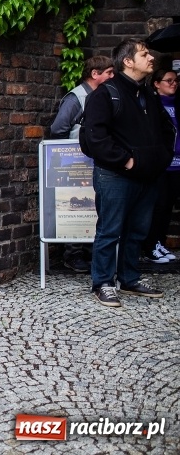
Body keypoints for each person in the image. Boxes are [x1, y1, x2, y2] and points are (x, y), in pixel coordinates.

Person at [82, 38, 174, 308]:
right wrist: (126, 161)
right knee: (110, 231)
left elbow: (167, 131)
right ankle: (102, 283)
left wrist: (160, 160)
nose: (151, 59)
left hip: (149, 176)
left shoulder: (148, 94)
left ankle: (129, 278)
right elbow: (94, 137)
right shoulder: (105, 93)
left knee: (137, 231)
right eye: (144, 54)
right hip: (116, 176)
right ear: (128, 61)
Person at [50, 55, 114, 274]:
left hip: (94, 162)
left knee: (92, 207)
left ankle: (88, 251)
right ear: (95, 74)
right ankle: (73, 254)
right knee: (74, 205)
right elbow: (58, 128)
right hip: (75, 162)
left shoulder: (102, 96)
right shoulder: (76, 97)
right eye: (109, 72)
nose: (113, 77)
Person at [142, 68, 180, 263]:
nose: (173, 83)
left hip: (178, 164)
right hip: (163, 164)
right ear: (157, 83)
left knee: (168, 207)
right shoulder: (154, 105)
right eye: (169, 80)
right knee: (159, 206)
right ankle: (151, 245)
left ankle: (160, 243)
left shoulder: (176, 103)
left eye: (176, 80)